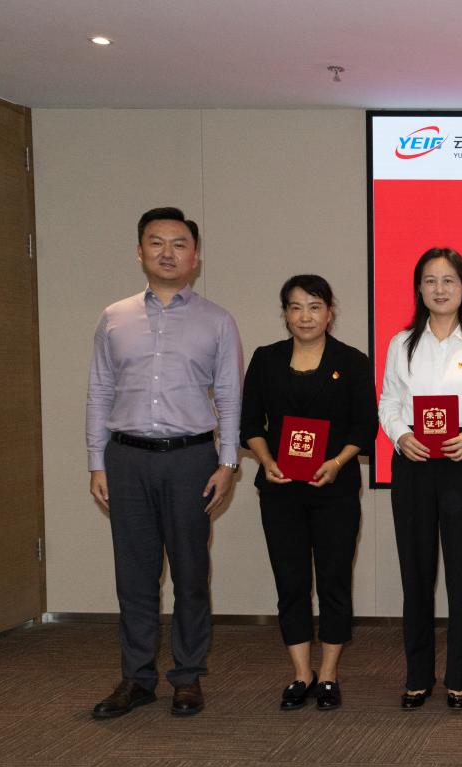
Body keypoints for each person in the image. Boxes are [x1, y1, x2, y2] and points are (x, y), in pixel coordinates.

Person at [87, 207, 242, 719]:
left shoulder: (217, 320)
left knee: (191, 574)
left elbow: (229, 395)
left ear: (195, 257)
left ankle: (187, 676)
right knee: (134, 576)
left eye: (179, 244)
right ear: (140, 252)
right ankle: (136, 679)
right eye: (156, 243)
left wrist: (227, 463)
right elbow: (100, 391)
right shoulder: (114, 317)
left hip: (191, 459)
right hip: (126, 459)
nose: (167, 253)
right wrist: (96, 462)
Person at [240, 275, 377, 711]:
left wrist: (337, 463)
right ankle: (301, 673)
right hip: (280, 490)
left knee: (334, 580)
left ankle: (329, 673)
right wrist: (266, 460)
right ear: (284, 313)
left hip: (334, 490)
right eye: (296, 307)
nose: (305, 316)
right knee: (291, 581)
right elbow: (249, 424)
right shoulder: (265, 359)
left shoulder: (351, 361)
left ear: (329, 312)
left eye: (314, 306)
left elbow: (365, 427)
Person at [379, 248, 462, 710]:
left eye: (449, 280)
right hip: (413, 464)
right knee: (416, 574)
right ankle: (417, 675)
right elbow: (388, 402)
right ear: (418, 288)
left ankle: (458, 677)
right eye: (430, 281)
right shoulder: (402, 344)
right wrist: (400, 435)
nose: (439, 289)